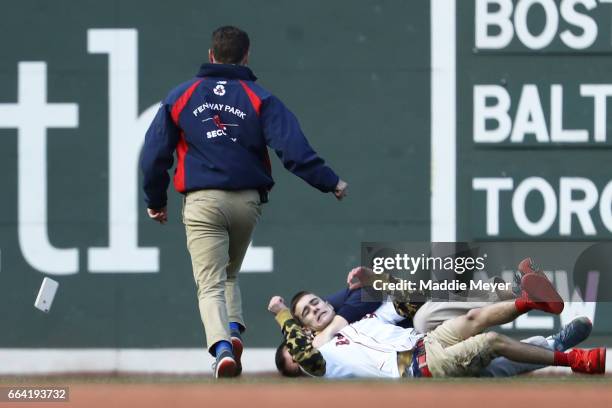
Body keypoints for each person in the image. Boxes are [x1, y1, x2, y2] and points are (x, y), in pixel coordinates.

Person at [140, 26, 347, 378]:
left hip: (202, 201)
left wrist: (155, 199)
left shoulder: (182, 96)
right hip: (246, 203)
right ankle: (233, 329)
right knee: (229, 273)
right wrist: (330, 182)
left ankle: (222, 349)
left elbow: (154, 155)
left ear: (211, 55)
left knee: (209, 283)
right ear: (246, 56)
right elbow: (292, 149)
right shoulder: (259, 97)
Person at [274, 260, 592, 377]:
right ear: (303, 329)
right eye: (308, 312)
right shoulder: (324, 353)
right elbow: (307, 356)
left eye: (315, 302)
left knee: (447, 313)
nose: (315, 309)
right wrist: (283, 315)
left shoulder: (355, 307)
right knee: (491, 359)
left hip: (423, 335)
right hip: (413, 364)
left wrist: (377, 278)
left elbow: (409, 299)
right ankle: (557, 347)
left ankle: (524, 299)